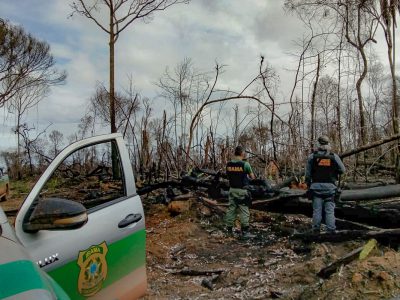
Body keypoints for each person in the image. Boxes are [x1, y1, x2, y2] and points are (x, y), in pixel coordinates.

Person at [305, 135, 345, 233]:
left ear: (318, 144)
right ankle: (331, 230)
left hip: (316, 188)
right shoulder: (334, 156)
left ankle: (315, 230)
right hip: (330, 188)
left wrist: (308, 184)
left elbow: (307, 175)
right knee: (330, 211)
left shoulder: (312, 157)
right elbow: (343, 170)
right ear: (328, 144)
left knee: (317, 211)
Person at [224, 145, 256, 237]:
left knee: (231, 209)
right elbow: (252, 177)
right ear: (242, 153)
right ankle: (245, 232)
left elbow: (228, 176)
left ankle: (229, 230)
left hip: (232, 190)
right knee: (244, 210)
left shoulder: (228, 164)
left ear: (235, 153)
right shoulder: (245, 164)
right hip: (242, 191)